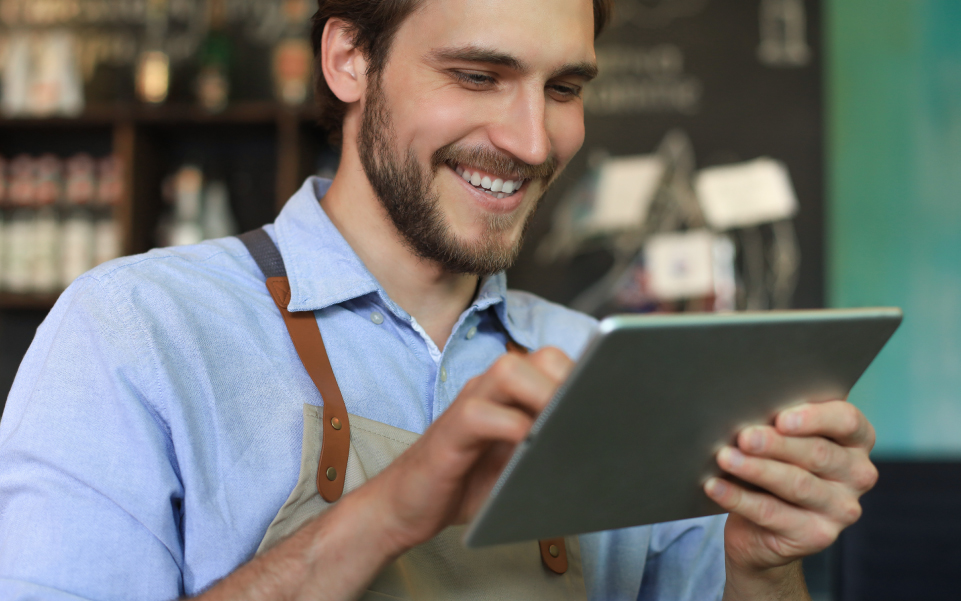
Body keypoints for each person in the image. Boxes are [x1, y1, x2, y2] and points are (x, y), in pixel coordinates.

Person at [0, 0, 878, 599]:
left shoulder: (613, 365)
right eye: (475, 75)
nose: (531, 139)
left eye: (564, 88)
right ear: (349, 60)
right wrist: (387, 511)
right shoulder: (135, 330)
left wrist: (761, 564)